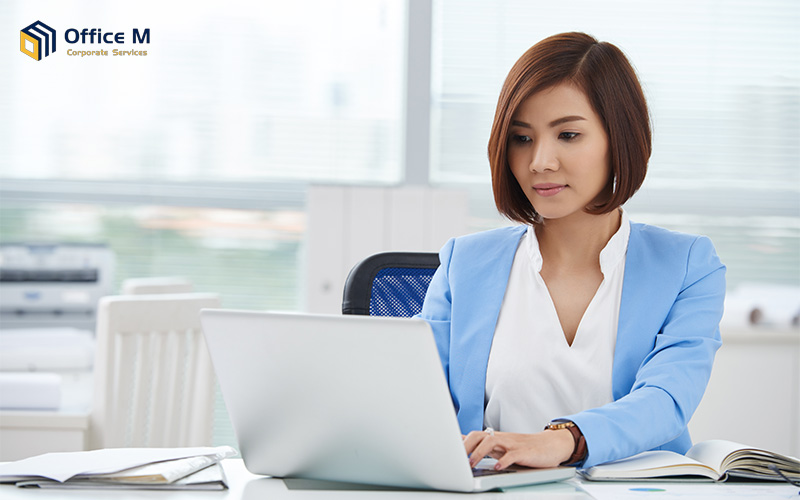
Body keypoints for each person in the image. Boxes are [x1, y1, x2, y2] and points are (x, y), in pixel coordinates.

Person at [417, 32, 726, 471]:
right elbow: (415, 398)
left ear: (618, 139)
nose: (540, 161)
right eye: (522, 139)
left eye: (567, 134)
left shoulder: (687, 265)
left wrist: (562, 441)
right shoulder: (464, 264)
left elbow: (667, 399)